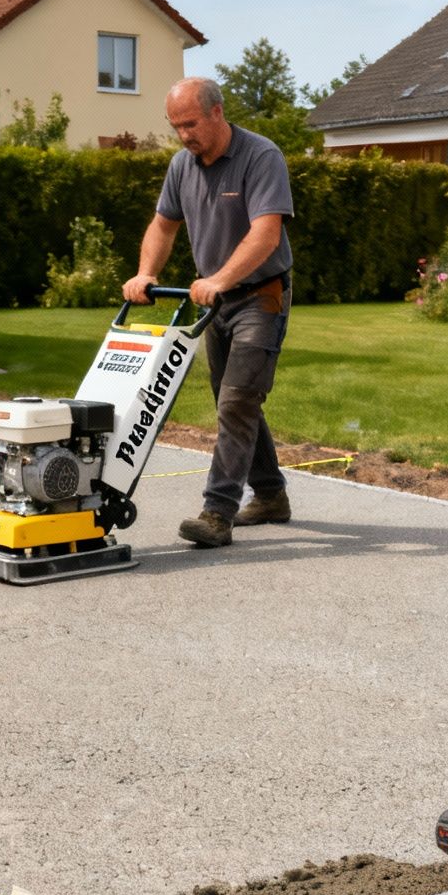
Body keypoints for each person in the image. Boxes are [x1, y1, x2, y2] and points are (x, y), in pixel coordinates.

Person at [121, 76, 294, 548]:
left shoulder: (261, 157)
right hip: (213, 304)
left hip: (262, 294)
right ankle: (272, 495)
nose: (183, 135)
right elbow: (162, 225)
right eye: (175, 126)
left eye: (190, 124)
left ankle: (218, 512)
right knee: (234, 398)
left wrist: (220, 278)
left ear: (217, 113)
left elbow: (267, 234)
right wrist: (145, 273)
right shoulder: (182, 166)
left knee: (237, 400)